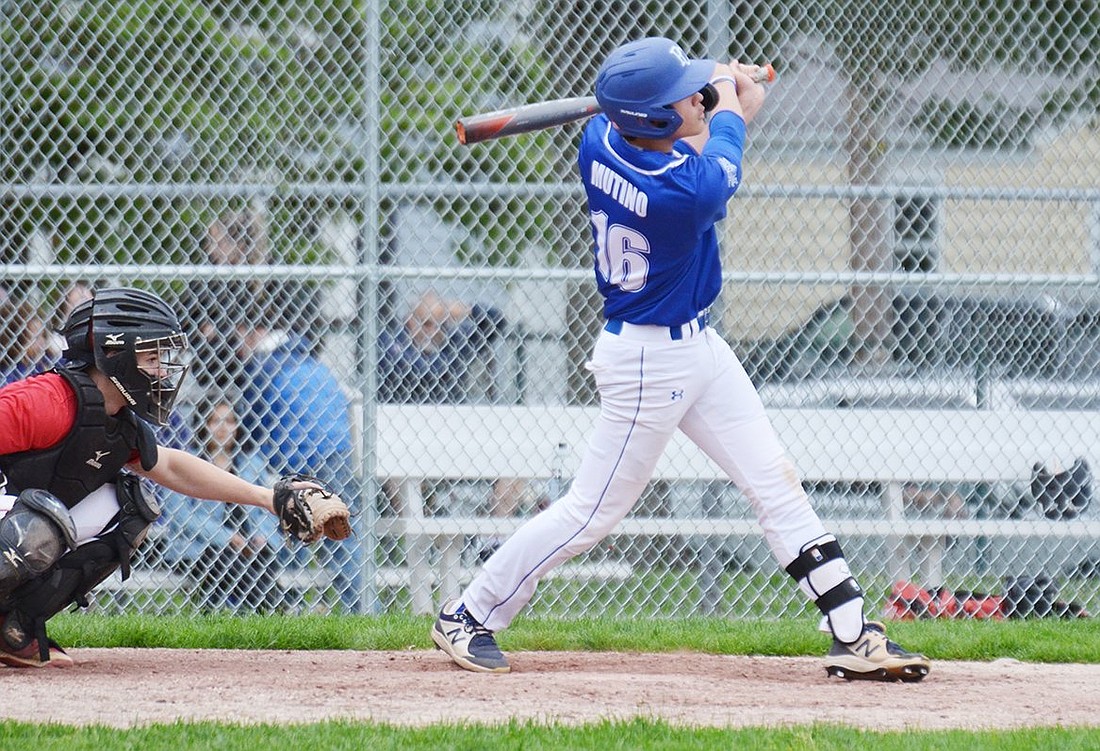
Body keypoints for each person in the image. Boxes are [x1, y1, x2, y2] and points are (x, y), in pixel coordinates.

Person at [431, 37, 931, 682]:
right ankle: (470, 613)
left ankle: (852, 632)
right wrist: (729, 105)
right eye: (681, 95)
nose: (695, 95)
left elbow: (685, 141)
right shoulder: (680, 194)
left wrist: (708, 96)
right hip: (647, 362)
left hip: (698, 349)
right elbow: (715, 165)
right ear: (654, 120)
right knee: (592, 510)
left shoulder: (602, 141)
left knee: (773, 480)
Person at [0, 287, 323, 667]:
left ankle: (13, 627)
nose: (162, 370)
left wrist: (268, 498)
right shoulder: (46, 402)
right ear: (113, 355)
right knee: (41, 521)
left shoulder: (115, 421)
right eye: (152, 358)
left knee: (129, 508)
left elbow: (172, 467)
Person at [236, 313, 364, 613]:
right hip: (338, 450)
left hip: (307, 456)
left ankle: (349, 607)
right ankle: (356, 606)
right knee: (339, 531)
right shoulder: (308, 359)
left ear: (254, 332)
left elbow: (250, 424)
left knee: (322, 532)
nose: (238, 346)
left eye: (240, 335)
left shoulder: (264, 366)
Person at [161, 396, 286, 612]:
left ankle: (258, 613)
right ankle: (273, 611)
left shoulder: (251, 463)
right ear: (203, 425)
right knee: (226, 557)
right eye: (214, 421)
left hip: (248, 545)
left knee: (263, 555)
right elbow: (180, 517)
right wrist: (227, 537)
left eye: (229, 421)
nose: (222, 428)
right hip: (200, 547)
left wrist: (260, 535)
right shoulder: (187, 461)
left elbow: (267, 507)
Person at [0, 299, 56, 384]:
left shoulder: (47, 360)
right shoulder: (11, 375)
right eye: (35, 338)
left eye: (43, 335)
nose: (42, 342)